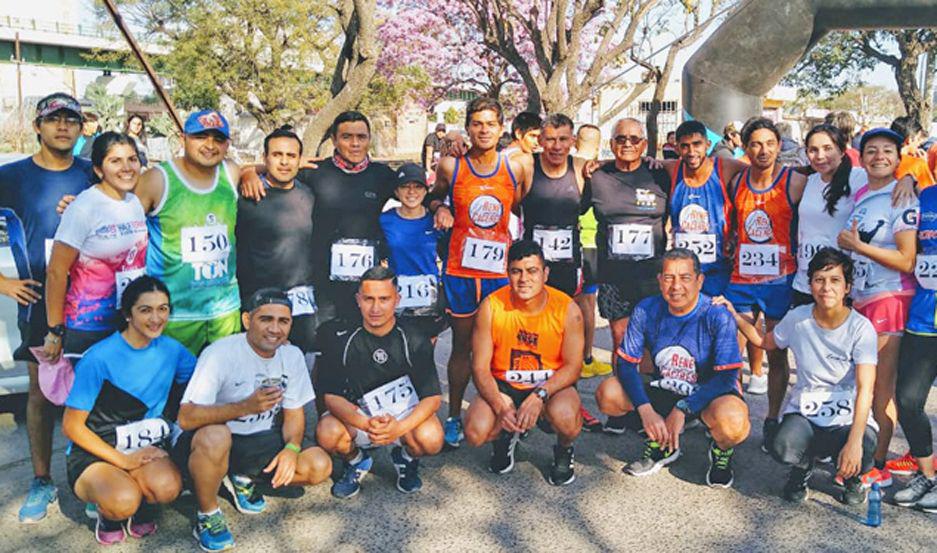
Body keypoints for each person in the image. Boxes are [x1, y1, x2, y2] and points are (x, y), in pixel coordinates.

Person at [173, 288, 331, 552]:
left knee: (318, 465)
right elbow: (187, 417)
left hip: (258, 440)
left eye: (283, 321)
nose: (275, 329)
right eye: (266, 319)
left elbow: (294, 414)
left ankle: (243, 477)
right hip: (210, 441)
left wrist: (292, 449)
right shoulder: (220, 353)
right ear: (247, 320)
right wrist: (245, 407)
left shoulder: (291, 355)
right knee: (216, 437)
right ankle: (208, 514)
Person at [720, 248, 877, 505]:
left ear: (847, 287)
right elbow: (764, 341)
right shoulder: (797, 318)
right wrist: (735, 316)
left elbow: (865, 388)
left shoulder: (861, 328)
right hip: (806, 412)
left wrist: (855, 442)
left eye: (835, 280)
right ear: (810, 284)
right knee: (781, 446)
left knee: (867, 447)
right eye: (819, 280)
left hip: (846, 417)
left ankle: (853, 477)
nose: (826, 287)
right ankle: (802, 469)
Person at [0, 92, 93, 523]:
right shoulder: (12, 176)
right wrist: (2, 282)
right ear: (38, 126)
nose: (63, 127)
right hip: (39, 302)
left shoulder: (93, 173)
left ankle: (92, 475)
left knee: (94, 391)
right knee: (40, 394)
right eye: (53, 120)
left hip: (93, 301)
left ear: (80, 129)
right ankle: (41, 480)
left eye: (71, 120)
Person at [426, 97, 534, 448]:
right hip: (460, 271)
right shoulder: (450, 166)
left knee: (502, 348)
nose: (484, 130)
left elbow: (519, 207)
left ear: (501, 128)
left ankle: (506, 413)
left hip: (498, 274)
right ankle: (455, 415)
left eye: (490, 123)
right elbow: (434, 196)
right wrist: (440, 207)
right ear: (468, 127)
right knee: (462, 347)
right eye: (477, 123)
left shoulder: (516, 167)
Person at [595, 249, 749, 487]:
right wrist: (646, 410)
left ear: (700, 281)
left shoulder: (716, 314)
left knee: (733, 422)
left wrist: (683, 409)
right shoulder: (646, 309)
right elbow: (626, 365)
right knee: (608, 394)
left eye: (685, 277)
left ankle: (721, 451)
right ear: (659, 280)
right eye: (669, 277)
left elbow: (727, 376)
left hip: (708, 394)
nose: (676, 286)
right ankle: (661, 444)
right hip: (667, 386)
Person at [62, 276, 196, 545]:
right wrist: (123, 462)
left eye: (163, 308)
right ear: (127, 314)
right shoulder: (98, 358)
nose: (156, 318)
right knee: (122, 501)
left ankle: (140, 500)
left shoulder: (173, 351)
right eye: (145, 310)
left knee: (168, 487)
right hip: (96, 450)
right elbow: (71, 426)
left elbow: (206, 379)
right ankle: (108, 512)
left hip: (144, 446)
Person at [836, 127, 919, 487]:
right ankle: (864, 453)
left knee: (881, 387)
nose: (879, 157)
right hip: (865, 299)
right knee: (862, 385)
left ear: (898, 158)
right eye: (871, 150)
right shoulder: (863, 190)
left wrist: (857, 246)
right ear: (861, 156)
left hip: (891, 299)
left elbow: (906, 260)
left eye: (888, 151)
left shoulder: (902, 196)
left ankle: (878, 464)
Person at [315, 267, 444, 498]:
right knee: (327, 433)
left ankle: (406, 459)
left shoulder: (414, 337)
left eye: (384, 299)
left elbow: (432, 397)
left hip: (402, 416)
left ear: (397, 299)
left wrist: (399, 428)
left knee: (432, 439)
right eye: (369, 299)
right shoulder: (340, 337)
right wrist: (366, 424)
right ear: (358, 300)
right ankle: (356, 461)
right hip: (361, 418)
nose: (375, 308)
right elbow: (331, 397)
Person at [464, 240, 585, 485]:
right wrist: (500, 407)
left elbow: (574, 366)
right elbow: (479, 367)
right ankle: (505, 436)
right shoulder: (491, 306)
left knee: (566, 418)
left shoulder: (567, 309)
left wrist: (539, 395)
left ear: (545, 273)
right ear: (507, 272)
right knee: (476, 432)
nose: (523, 279)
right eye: (516, 271)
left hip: (550, 387)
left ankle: (564, 450)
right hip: (505, 386)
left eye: (532, 271)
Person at [581, 117, 671, 433]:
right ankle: (623, 407)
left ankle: (646, 404)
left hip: (652, 275)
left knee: (648, 342)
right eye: (621, 139)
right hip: (613, 276)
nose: (628, 144)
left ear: (645, 145)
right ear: (612, 143)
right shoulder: (597, 176)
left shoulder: (660, 174)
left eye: (635, 139)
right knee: (621, 340)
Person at [723, 117, 808, 448]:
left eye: (770, 143)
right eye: (756, 144)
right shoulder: (737, 178)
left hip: (779, 280)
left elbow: (836, 176)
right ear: (745, 147)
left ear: (779, 146)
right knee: (730, 351)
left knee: (776, 355)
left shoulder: (794, 181)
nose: (764, 150)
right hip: (741, 279)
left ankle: (772, 417)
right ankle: (733, 411)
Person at [521, 114, 601, 430]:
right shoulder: (525, 165)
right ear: (540, 140)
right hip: (533, 268)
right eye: (550, 139)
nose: (556, 146)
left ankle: (571, 401)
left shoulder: (582, 168)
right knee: (532, 333)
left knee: (569, 333)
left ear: (572, 141)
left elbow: (620, 167)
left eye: (563, 139)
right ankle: (528, 399)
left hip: (569, 265)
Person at [138, 109, 241, 355]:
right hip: (174, 313)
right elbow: (121, 224)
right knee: (173, 389)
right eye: (200, 137)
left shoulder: (231, 172)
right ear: (183, 138)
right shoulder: (156, 179)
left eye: (218, 139)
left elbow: (255, 169)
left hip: (224, 311)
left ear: (227, 144)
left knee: (225, 389)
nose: (209, 145)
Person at [45, 132, 148, 362]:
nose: (127, 167)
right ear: (99, 170)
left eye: (132, 159)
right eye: (115, 161)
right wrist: (55, 330)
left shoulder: (134, 203)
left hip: (128, 321)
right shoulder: (83, 208)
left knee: (122, 396)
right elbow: (56, 271)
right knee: (87, 397)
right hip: (89, 325)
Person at [235, 126, 317, 359]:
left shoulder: (310, 195)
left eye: (291, 156)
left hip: (302, 306)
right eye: (277, 155)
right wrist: (247, 172)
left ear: (299, 160)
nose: (284, 162)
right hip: (259, 304)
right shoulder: (247, 196)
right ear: (265, 158)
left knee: (300, 369)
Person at [657, 120, 748, 298]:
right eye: (685, 146)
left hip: (719, 271)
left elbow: (765, 172)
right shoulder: (672, 169)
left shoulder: (726, 168)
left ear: (707, 144)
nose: (691, 152)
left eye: (697, 144)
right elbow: (639, 161)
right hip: (683, 274)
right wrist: (599, 164)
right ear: (676, 149)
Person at [892, 177, 937, 511]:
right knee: (907, 400)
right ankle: (926, 474)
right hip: (923, 318)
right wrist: (907, 178)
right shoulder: (925, 196)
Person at [379, 163, 445, 339]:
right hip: (396, 296)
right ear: (396, 192)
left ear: (425, 191)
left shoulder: (436, 220)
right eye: (405, 187)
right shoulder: (385, 220)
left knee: (425, 355)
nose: (411, 192)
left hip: (429, 297)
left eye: (417, 186)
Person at [573, 124, 611, 380]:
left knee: (584, 303)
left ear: (576, 141)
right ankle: (583, 357)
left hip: (584, 242)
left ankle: (585, 357)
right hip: (592, 243)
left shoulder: (575, 166)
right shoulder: (598, 169)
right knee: (586, 302)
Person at [891, 116, 936, 189]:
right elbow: (931, 193)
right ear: (909, 140)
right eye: (918, 139)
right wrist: (925, 166)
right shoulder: (917, 164)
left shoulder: (882, 162)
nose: (919, 144)